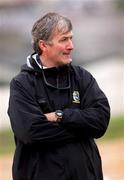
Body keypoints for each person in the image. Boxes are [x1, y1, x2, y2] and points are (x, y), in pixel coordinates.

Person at [8, 12, 110, 180]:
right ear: (43, 45)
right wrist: (82, 128)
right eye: (63, 40)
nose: (71, 45)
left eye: (71, 38)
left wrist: (60, 116)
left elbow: (100, 121)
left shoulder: (82, 77)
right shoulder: (21, 84)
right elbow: (30, 132)